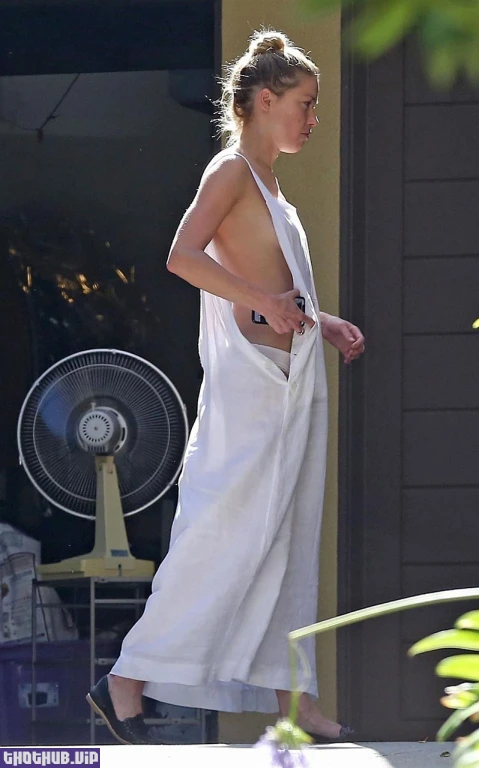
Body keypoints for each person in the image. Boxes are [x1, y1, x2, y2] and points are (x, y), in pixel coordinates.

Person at [87, 29, 365, 746]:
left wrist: (321, 322)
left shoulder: (270, 186)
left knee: (285, 541)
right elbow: (182, 256)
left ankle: (294, 700)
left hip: (287, 384)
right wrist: (269, 304)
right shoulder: (232, 171)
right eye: (305, 104)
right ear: (264, 100)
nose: (312, 118)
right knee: (221, 538)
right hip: (250, 390)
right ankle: (127, 677)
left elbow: (275, 287)